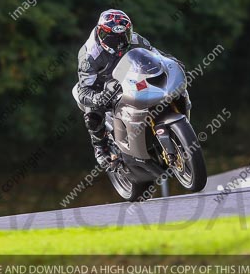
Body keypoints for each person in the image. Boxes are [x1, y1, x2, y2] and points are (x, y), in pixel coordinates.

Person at [75, 9, 175, 169]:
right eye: (114, 38)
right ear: (102, 35)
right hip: (101, 86)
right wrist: (97, 98)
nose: (120, 42)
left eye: (124, 36)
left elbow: (157, 55)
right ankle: (101, 148)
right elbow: (83, 90)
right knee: (92, 117)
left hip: (130, 77)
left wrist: (171, 61)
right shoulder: (89, 55)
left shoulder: (135, 39)